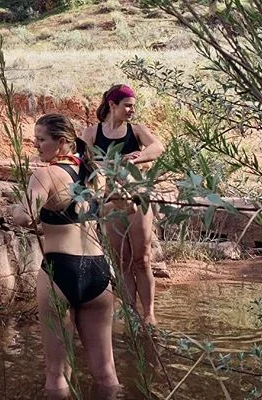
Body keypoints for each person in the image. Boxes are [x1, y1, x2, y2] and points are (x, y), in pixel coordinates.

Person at [13, 113, 120, 400]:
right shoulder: (97, 175)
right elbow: (111, 210)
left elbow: (23, 216)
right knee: (107, 372)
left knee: (57, 374)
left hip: (61, 270)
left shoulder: (45, 174)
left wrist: (24, 217)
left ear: (61, 142)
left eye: (41, 140)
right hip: (99, 272)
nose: (37, 145)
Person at [81, 84, 164, 327]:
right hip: (109, 203)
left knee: (143, 259)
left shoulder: (136, 130)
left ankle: (149, 315)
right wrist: (106, 162)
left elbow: (158, 147)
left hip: (137, 200)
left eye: (133, 106)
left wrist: (137, 158)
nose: (131, 110)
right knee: (122, 261)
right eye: (127, 105)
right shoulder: (93, 132)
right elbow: (80, 158)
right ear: (112, 105)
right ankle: (131, 315)